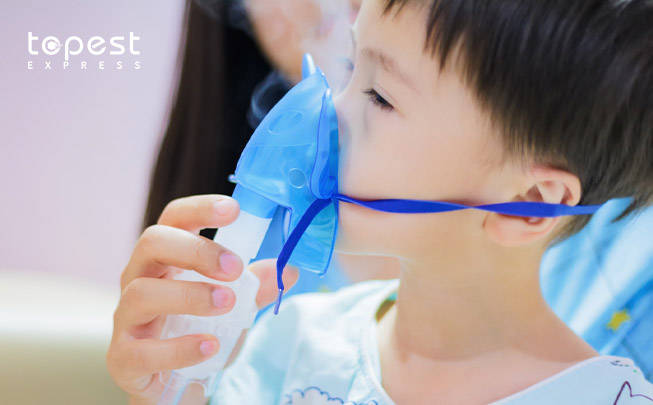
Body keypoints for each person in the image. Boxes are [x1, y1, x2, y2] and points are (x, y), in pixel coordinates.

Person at [107, 0, 653, 403]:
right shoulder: (290, 346)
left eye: (380, 96)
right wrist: (168, 389)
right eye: (349, 70)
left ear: (527, 203)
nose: (327, 115)